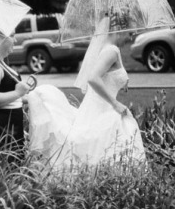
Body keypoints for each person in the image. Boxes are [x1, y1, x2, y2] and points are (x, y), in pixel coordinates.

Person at [27, 11, 147, 175]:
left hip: (101, 106)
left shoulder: (109, 49)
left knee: (107, 148)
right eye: (130, 33)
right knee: (106, 147)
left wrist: (121, 81)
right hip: (103, 108)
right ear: (119, 28)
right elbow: (93, 78)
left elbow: (106, 77)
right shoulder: (111, 51)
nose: (131, 37)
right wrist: (115, 103)